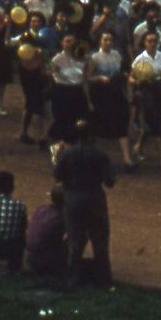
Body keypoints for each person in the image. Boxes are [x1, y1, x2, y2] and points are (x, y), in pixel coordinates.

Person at [54, 120, 118, 286]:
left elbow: (57, 175)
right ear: (91, 136)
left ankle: (72, 278)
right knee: (100, 240)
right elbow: (110, 182)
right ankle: (103, 279)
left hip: (73, 199)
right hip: (94, 198)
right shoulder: (99, 155)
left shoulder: (67, 154)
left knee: (75, 240)